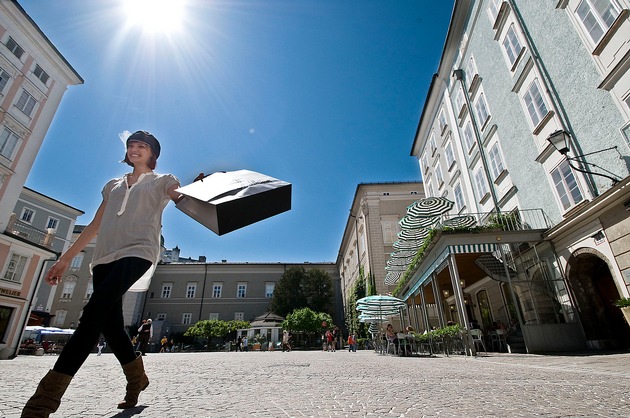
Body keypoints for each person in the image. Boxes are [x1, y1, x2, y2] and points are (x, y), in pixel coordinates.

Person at [22, 130, 181, 417]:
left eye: (142, 146)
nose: (135, 149)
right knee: (111, 326)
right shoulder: (112, 185)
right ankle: (137, 380)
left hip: (139, 251)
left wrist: (200, 190)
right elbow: (95, 225)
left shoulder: (163, 181)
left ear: (152, 154)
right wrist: (63, 260)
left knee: (91, 317)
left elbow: (179, 196)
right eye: (131, 145)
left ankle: (42, 402)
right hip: (104, 258)